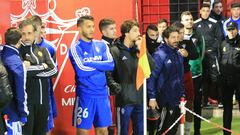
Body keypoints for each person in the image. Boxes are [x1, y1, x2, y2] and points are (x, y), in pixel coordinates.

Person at [69, 15, 114, 135]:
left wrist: (91, 63)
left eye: (93, 26)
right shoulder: (75, 48)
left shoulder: (102, 45)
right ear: (79, 28)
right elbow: (81, 71)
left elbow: (110, 64)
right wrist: (100, 66)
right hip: (85, 96)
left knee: (104, 132)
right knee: (83, 132)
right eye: (88, 27)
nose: (92, 29)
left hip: (102, 96)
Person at [19, 19, 58, 135]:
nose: (26, 37)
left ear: (35, 33)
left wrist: (32, 68)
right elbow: (21, 72)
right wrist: (43, 66)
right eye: (23, 33)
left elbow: (54, 71)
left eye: (29, 33)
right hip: (26, 104)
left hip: (44, 103)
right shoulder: (17, 52)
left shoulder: (43, 50)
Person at [108, 20, 143, 135]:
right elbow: (108, 74)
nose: (139, 33)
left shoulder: (139, 50)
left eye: (138, 30)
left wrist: (143, 50)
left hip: (139, 98)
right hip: (124, 100)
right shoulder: (115, 50)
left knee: (140, 131)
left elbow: (151, 68)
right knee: (122, 131)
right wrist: (118, 89)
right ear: (126, 33)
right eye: (135, 30)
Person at [148, 26, 185, 135]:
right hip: (163, 101)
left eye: (177, 37)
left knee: (172, 130)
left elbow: (180, 77)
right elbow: (152, 78)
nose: (176, 40)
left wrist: (182, 95)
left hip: (177, 99)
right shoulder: (159, 55)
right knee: (163, 130)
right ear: (165, 38)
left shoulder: (178, 54)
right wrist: (152, 97)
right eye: (173, 37)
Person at [181, 11, 205, 135]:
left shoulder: (198, 36)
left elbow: (202, 55)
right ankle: (181, 131)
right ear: (182, 22)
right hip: (181, 76)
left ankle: (196, 131)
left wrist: (197, 67)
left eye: (190, 19)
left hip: (196, 75)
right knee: (180, 104)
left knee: (195, 104)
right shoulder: (178, 37)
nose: (189, 21)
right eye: (186, 19)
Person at [1, 27, 29, 135]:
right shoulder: (17, 63)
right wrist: (23, 113)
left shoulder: (1, 55)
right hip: (12, 113)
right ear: (19, 41)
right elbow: (20, 91)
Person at [172, 21, 198, 135]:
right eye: (180, 33)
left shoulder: (188, 42)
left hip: (186, 74)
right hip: (173, 77)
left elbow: (195, 55)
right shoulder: (169, 44)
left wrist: (187, 54)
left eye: (183, 33)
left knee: (189, 103)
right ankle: (176, 130)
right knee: (174, 104)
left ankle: (187, 131)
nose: (183, 35)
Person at [194, 3, 222, 106]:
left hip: (212, 55)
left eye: (207, 11)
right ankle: (204, 101)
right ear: (200, 11)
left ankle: (220, 101)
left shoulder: (215, 23)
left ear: (209, 12)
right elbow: (194, 39)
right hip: (200, 56)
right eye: (203, 11)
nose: (205, 13)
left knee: (216, 78)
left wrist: (211, 50)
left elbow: (219, 38)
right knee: (203, 78)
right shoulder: (195, 24)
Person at [219, 22, 240, 135]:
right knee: (227, 109)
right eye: (229, 30)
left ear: (237, 30)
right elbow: (219, 60)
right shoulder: (222, 43)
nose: (231, 32)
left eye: (233, 29)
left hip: (239, 80)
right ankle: (226, 133)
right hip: (226, 81)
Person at [99, 18, 118, 135]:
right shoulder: (100, 47)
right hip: (106, 90)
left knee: (115, 121)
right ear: (104, 32)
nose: (115, 31)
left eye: (115, 28)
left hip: (117, 88)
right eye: (111, 29)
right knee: (107, 122)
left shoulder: (116, 45)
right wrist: (111, 84)